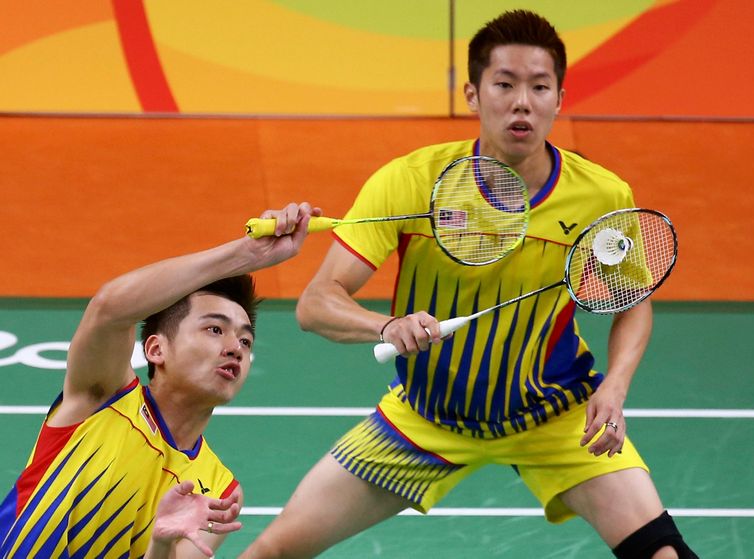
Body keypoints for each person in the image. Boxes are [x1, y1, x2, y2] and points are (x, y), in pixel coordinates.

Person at [240, 10, 699, 559]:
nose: (521, 101)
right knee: (270, 553)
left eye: (539, 86)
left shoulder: (600, 196)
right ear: (473, 95)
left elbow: (633, 304)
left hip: (554, 414)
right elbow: (316, 304)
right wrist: (385, 325)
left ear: (559, 98)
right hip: (425, 417)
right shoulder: (413, 182)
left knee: (664, 555)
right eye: (504, 84)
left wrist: (616, 386)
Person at [0, 203, 319, 558]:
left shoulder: (220, 491)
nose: (235, 349)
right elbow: (109, 309)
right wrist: (243, 255)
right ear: (155, 349)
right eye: (215, 329)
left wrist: (162, 542)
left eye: (245, 340)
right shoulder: (103, 397)